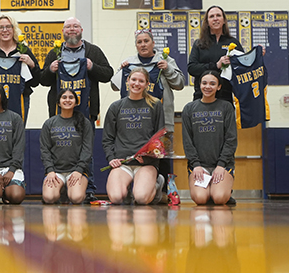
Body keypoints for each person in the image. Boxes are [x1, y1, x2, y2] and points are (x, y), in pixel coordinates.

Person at [39, 17, 113, 202]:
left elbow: (108, 74)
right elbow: (42, 79)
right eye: (68, 27)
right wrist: (50, 70)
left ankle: (88, 189)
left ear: (81, 29)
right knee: (59, 147)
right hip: (59, 113)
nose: (72, 29)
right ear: (63, 31)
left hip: (86, 111)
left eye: (75, 26)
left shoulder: (93, 51)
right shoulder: (54, 53)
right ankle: (58, 183)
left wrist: (92, 67)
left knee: (87, 149)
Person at [112, 29, 185, 195]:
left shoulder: (166, 60)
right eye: (139, 42)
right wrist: (121, 70)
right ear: (136, 45)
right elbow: (115, 86)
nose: (143, 44)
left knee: (163, 157)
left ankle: (167, 192)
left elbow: (180, 84)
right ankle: (137, 190)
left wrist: (168, 69)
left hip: (162, 120)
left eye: (146, 41)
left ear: (153, 43)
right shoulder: (129, 62)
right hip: (134, 123)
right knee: (135, 158)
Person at [102, 68, 165, 205]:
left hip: (146, 164)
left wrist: (149, 155)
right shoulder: (116, 107)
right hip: (123, 162)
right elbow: (107, 138)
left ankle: (156, 183)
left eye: (141, 81)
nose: (137, 84)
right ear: (127, 81)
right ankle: (130, 188)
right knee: (116, 198)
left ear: (147, 84)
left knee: (141, 198)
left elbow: (160, 137)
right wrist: (111, 158)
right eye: (134, 80)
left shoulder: (155, 104)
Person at [181, 71, 238, 205]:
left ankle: (220, 189)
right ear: (199, 85)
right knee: (201, 199)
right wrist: (196, 165)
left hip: (222, 166)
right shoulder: (189, 109)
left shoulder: (226, 107)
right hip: (200, 166)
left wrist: (221, 165)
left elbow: (231, 139)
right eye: (204, 83)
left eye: (212, 84)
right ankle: (210, 188)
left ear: (218, 87)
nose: (208, 87)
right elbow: (187, 141)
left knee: (219, 198)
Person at [0, 14, 41, 121]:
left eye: (8, 27)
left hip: (19, 102)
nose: (4, 30)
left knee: (17, 135)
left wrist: (32, 65)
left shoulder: (23, 52)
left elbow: (35, 82)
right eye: (1, 27)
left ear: (13, 29)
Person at [40, 89, 93, 204]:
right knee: (49, 198)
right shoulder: (49, 123)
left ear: (76, 102)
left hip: (76, 171)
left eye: (71, 97)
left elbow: (87, 149)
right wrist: (50, 170)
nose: (67, 100)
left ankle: (70, 189)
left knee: (76, 198)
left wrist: (79, 170)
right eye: (64, 97)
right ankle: (62, 189)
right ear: (58, 102)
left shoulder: (84, 123)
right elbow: (45, 150)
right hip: (56, 171)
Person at [187, 5, 243, 102]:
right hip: (201, 97)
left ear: (224, 20)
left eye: (218, 15)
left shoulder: (233, 43)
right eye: (212, 16)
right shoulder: (199, 43)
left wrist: (256, 55)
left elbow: (243, 66)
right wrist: (216, 65)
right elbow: (192, 68)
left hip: (225, 96)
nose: (215, 19)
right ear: (207, 22)